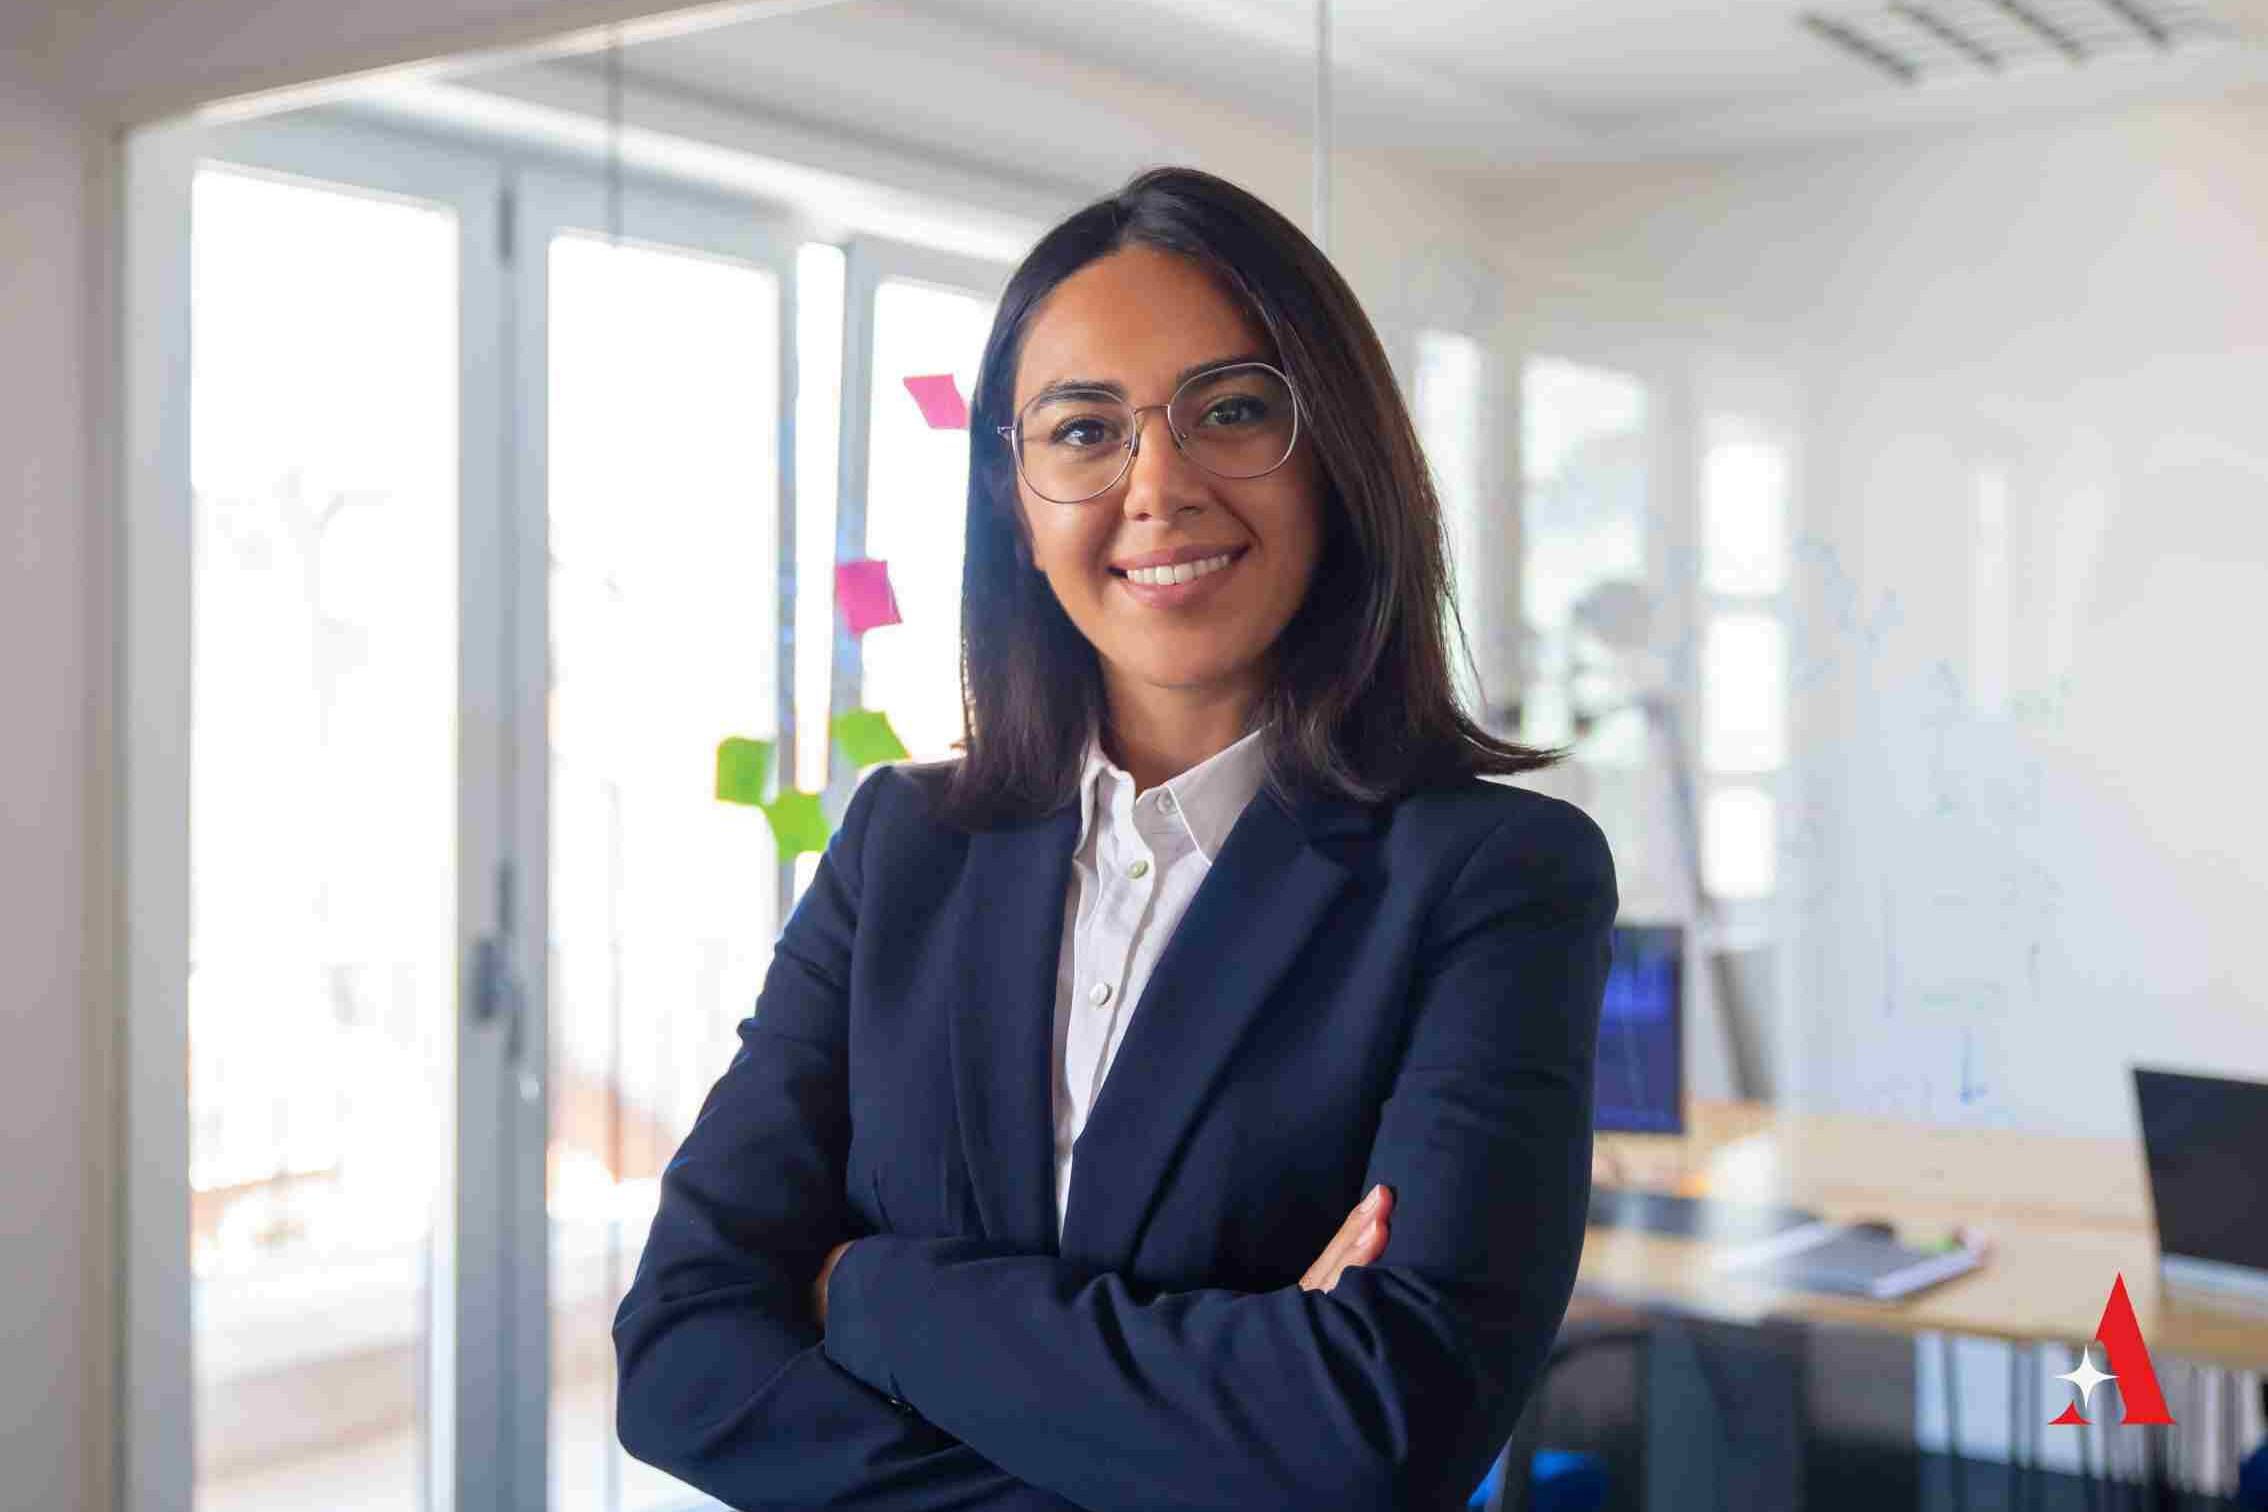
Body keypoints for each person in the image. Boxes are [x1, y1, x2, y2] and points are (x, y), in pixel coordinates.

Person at [612, 165, 1617, 1511]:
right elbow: (681, 1359)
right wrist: (1226, 1414)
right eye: (1085, 431)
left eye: (1234, 410)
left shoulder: (1496, 879)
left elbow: (1382, 1431)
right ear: (1015, 502)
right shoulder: (900, 849)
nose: (1160, 485)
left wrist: (864, 1290)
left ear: (1336, 456)